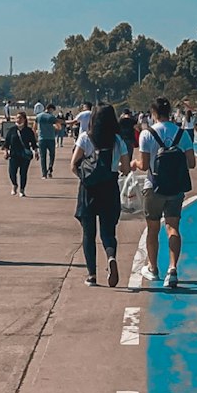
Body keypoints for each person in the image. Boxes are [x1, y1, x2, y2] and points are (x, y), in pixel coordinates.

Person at [136, 96, 196, 290]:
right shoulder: (182, 134)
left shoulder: (147, 134)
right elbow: (192, 163)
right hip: (175, 188)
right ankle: (173, 269)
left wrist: (134, 163)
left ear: (153, 113)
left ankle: (153, 268)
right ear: (169, 112)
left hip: (153, 186)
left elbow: (144, 164)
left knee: (153, 228)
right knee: (173, 227)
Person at [72, 103, 130, 286]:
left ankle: (92, 275)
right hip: (110, 188)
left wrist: (85, 175)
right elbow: (126, 168)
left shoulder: (85, 138)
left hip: (88, 190)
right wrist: (115, 169)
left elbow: (73, 165)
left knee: (88, 233)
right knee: (108, 231)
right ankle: (111, 256)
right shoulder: (117, 140)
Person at [4, 110, 37, 195]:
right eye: (17, 118)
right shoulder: (12, 130)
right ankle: (14, 185)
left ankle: (22, 190)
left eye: (20, 118)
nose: (18, 120)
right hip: (14, 154)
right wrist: (6, 151)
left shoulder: (28, 131)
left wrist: (36, 152)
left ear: (24, 119)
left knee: (23, 173)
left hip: (24, 156)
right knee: (12, 172)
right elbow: (7, 142)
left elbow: (33, 143)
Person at [36, 103, 58, 178]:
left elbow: (34, 127)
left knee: (43, 157)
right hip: (51, 138)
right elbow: (59, 127)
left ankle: (44, 174)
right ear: (51, 109)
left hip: (41, 139)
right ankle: (50, 169)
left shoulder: (38, 116)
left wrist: (36, 137)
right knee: (52, 155)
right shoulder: (52, 117)